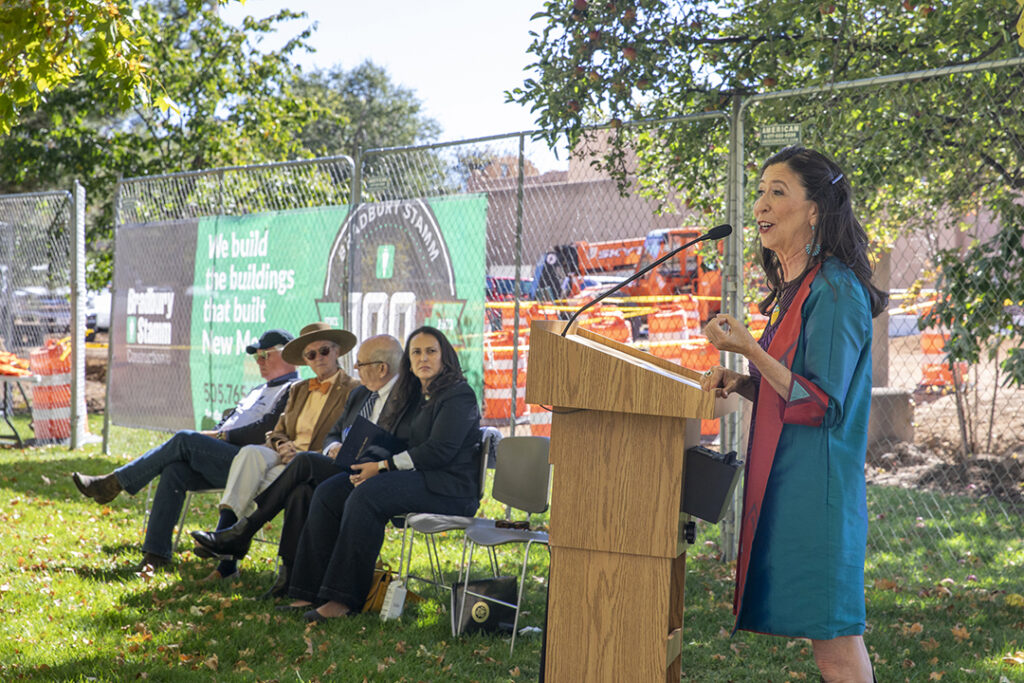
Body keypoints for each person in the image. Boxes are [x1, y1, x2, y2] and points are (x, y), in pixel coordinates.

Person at [700, 147, 887, 683]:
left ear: (814, 210)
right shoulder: (797, 288)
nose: (760, 203)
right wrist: (747, 384)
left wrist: (749, 353)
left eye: (777, 191)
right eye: (759, 190)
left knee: (834, 641)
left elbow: (823, 404)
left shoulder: (834, 288)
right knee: (826, 641)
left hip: (818, 490)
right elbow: (793, 391)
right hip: (792, 481)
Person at [284, 325, 481, 622]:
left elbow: (439, 451)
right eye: (416, 352)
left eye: (431, 351)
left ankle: (342, 600)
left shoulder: (458, 395)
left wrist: (382, 467)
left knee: (367, 495)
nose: (423, 358)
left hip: (450, 488)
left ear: (445, 357)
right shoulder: (422, 394)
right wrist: (372, 464)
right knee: (331, 492)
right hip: (420, 479)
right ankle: (308, 590)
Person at [190, 334, 409, 597]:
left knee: (305, 463)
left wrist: (328, 453)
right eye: (310, 354)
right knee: (292, 486)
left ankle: (243, 531)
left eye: (360, 364)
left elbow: (402, 444)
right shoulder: (350, 393)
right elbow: (330, 434)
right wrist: (329, 447)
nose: (318, 358)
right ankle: (291, 581)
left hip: (363, 472)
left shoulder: (393, 395)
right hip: (323, 462)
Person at [71, 328, 299, 571]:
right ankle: (155, 554)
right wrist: (216, 434)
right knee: (174, 471)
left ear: (289, 356)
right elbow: (228, 422)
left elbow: (264, 430)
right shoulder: (258, 390)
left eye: (266, 355)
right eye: (257, 357)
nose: (260, 362)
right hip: (223, 457)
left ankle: (114, 483)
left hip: (250, 462)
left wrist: (216, 435)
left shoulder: (294, 389)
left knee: (184, 439)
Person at [195, 321, 360, 582]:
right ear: (305, 359)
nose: (318, 358)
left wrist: (308, 453)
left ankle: (229, 555)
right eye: (311, 354)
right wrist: (282, 445)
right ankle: (226, 531)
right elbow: (277, 431)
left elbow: (347, 438)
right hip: (285, 455)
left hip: (315, 462)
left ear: (337, 351)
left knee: (271, 483)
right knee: (250, 453)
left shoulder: (353, 389)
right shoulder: (299, 389)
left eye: (324, 351)